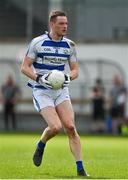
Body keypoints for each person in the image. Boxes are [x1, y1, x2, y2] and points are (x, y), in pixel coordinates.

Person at [21, 10, 89, 176]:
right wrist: (39, 78)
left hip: (60, 91)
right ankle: (41, 144)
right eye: (61, 23)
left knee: (71, 127)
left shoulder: (70, 45)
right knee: (56, 127)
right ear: (52, 24)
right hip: (42, 90)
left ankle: (80, 169)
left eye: (66, 23)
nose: (65, 26)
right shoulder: (38, 42)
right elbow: (24, 67)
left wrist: (67, 77)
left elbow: (75, 70)